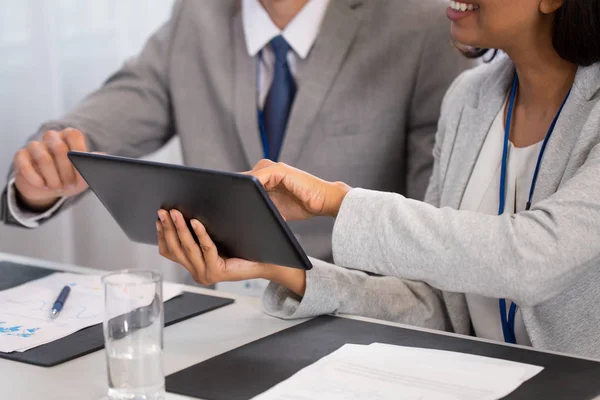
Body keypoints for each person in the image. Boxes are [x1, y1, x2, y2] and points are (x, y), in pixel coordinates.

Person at [156, 0, 600, 358]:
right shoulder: (470, 99)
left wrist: (338, 203)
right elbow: (437, 306)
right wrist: (282, 267)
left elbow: (531, 259)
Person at [0, 0, 471, 268]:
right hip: (218, 313)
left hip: (358, 321)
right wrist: (44, 174)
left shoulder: (423, 27)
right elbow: (97, 126)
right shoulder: (196, 16)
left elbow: (431, 227)